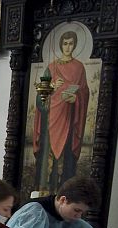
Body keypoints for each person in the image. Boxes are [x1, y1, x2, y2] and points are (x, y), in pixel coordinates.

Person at [33, 31, 89, 193]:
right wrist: (52, 89)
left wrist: (76, 99)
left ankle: (62, 192)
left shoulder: (79, 67)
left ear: (75, 45)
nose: (68, 47)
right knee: (47, 158)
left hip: (68, 119)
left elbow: (84, 92)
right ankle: (45, 190)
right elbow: (40, 98)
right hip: (51, 120)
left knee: (65, 158)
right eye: (65, 43)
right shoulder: (51, 67)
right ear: (60, 45)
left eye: (71, 43)